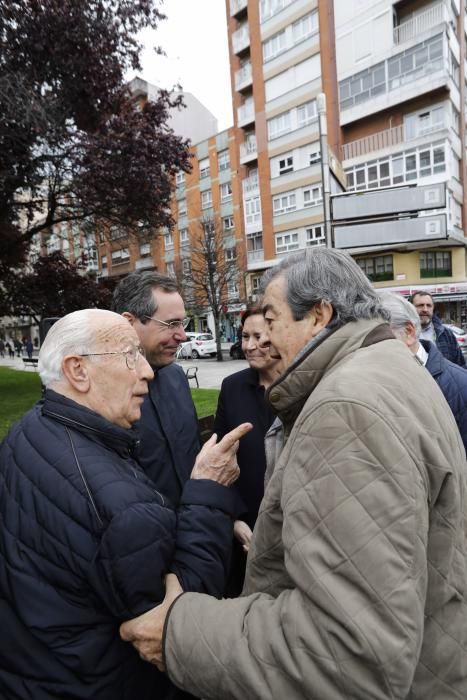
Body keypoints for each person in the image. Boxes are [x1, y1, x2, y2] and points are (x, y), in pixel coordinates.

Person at [120, 248, 467, 699]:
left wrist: (179, 632)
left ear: (319, 315)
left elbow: (346, 659)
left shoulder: (347, 407)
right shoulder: (388, 367)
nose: (262, 335)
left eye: (272, 316)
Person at [0, 308, 251, 700]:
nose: (147, 371)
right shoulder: (121, 506)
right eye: (129, 355)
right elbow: (175, 619)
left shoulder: (29, 429)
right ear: (77, 371)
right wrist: (209, 491)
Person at [112, 272, 199, 503]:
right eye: (171, 324)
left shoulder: (176, 377)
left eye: (182, 323)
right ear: (128, 323)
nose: (182, 335)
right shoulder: (102, 393)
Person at [214, 307, 280, 596]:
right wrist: (234, 520)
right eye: (245, 337)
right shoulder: (233, 387)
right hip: (244, 529)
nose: (250, 346)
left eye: (260, 338)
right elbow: (218, 459)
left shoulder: (304, 385)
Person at [379, 290, 467, 452]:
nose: (425, 309)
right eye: (420, 305)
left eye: (378, 338)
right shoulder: (376, 384)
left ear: (409, 332)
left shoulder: (460, 386)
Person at [410, 290, 465, 366]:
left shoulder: (446, 334)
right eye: (420, 305)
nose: (425, 310)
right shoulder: (401, 334)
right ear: (410, 308)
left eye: (429, 305)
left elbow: (460, 364)